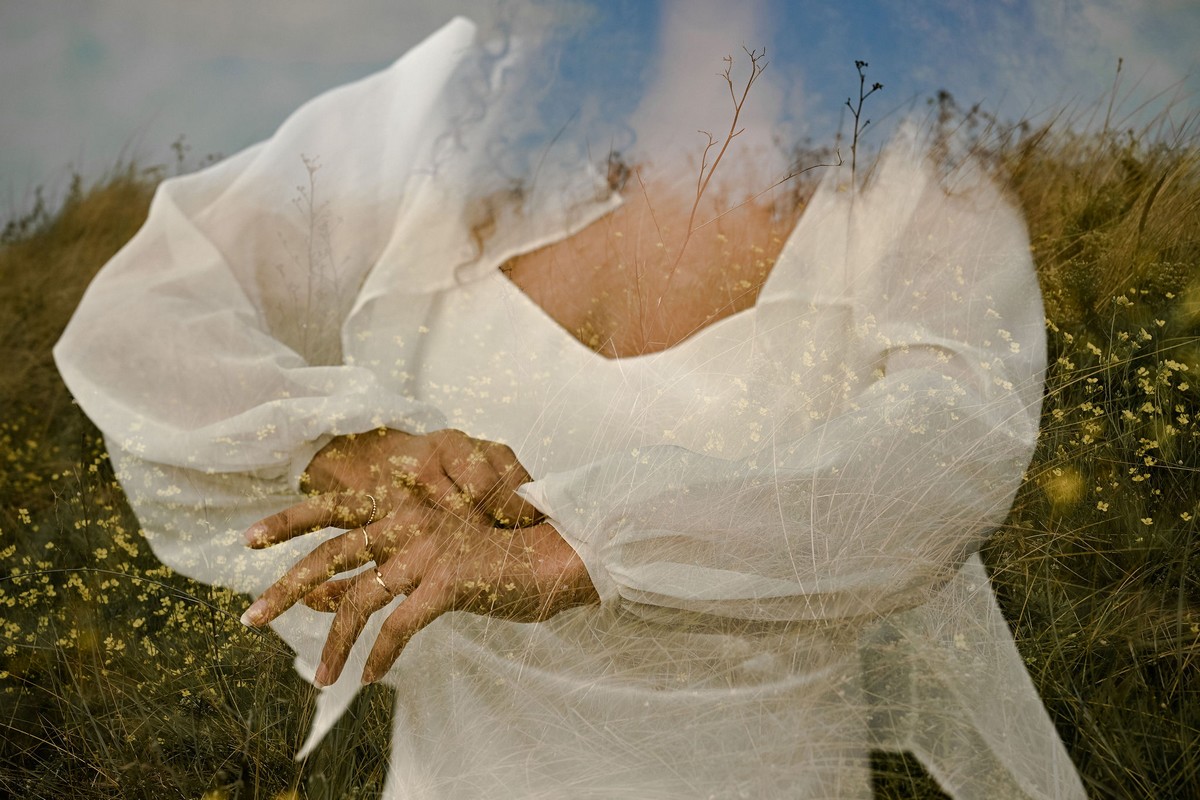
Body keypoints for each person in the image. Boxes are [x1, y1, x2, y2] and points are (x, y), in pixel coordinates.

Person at [54, 15, 1086, 799]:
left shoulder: (918, 182)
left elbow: (948, 451)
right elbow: (149, 301)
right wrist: (345, 443)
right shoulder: (468, 106)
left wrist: (576, 547)